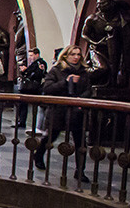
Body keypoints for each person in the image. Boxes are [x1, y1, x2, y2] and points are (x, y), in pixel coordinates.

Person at [34, 45, 91, 181]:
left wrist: (81, 100)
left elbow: (88, 89)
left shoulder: (84, 72)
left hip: (77, 111)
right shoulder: (57, 70)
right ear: (66, 56)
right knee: (51, 136)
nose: (76, 57)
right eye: (73, 54)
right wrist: (65, 82)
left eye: (78, 54)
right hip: (59, 111)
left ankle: (80, 170)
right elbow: (47, 88)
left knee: (80, 141)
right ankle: (39, 154)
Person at [16, 47, 47, 129]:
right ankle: (21, 120)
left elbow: (38, 75)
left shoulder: (40, 63)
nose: (30, 57)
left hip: (33, 87)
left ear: (37, 54)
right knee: (23, 105)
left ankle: (28, 122)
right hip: (28, 87)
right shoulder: (34, 63)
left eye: (31, 55)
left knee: (30, 106)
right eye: (29, 55)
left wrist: (26, 71)